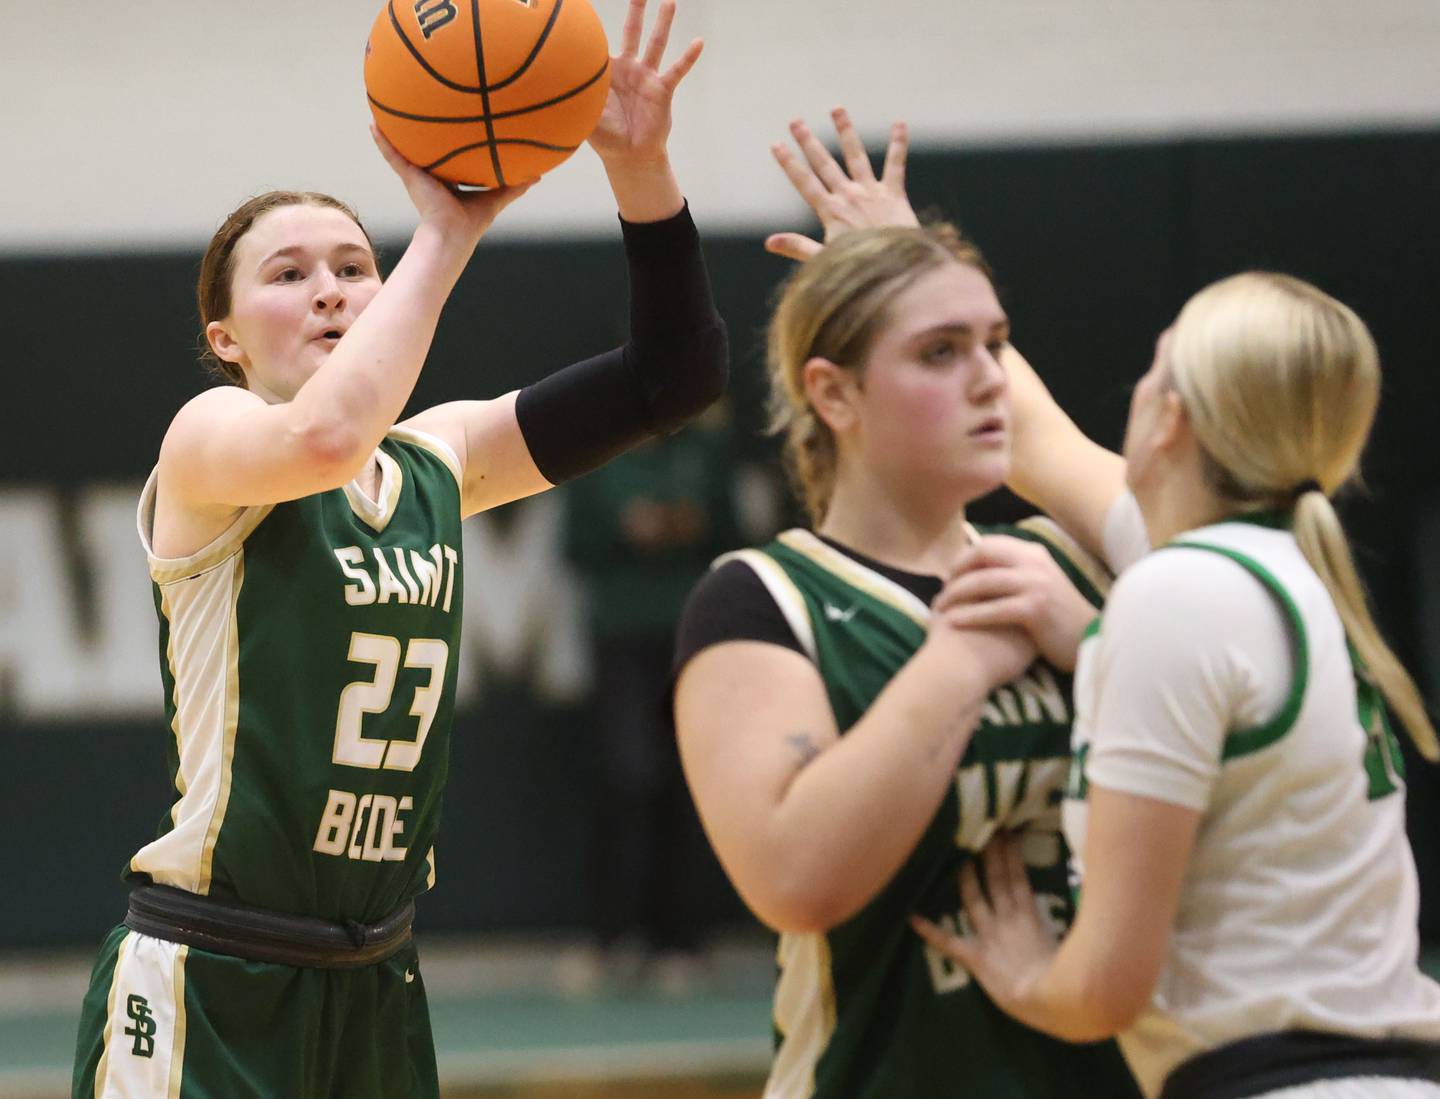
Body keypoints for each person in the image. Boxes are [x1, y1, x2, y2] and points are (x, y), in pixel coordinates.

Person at [71, 1, 727, 1094]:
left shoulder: (438, 457)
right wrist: (449, 228)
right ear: (224, 339)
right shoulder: (211, 441)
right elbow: (325, 435)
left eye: (353, 264)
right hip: (216, 964)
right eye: (289, 273)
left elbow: (674, 377)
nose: (331, 285)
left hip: (375, 971)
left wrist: (641, 171)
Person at [672, 125, 1141, 1092]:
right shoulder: (761, 600)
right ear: (834, 394)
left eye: (996, 345)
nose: (986, 379)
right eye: (940, 351)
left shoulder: (1070, 567)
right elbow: (795, 879)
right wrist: (958, 663)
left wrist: (1094, 644)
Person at [914, 271, 1440, 1098]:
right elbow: (1038, 441)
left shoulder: (1178, 594)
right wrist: (908, 264)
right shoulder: (1277, 566)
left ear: (1173, 418)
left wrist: (1026, 978)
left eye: (1156, 368)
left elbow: (1104, 988)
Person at [562, 412, 742, 990]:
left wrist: (689, 525)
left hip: (689, 633)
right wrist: (624, 528)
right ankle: (611, 938)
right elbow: (575, 544)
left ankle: (683, 942)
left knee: (685, 784)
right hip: (620, 637)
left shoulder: (706, 451)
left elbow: (733, 538)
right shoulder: (598, 450)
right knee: (625, 778)